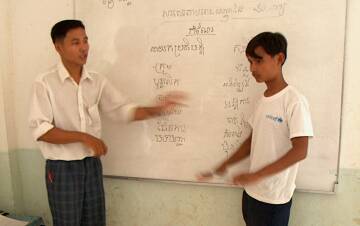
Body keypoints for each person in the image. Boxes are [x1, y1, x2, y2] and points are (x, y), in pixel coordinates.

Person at [28, 19, 186, 226]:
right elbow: (41, 130)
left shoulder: (96, 81)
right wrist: (84, 137)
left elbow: (122, 110)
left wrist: (157, 110)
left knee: (95, 221)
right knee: (67, 222)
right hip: (62, 169)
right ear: (58, 47)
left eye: (85, 40)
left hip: (92, 165)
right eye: (75, 42)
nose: (84, 48)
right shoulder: (45, 82)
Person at [198, 32, 313, 226]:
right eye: (250, 62)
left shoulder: (294, 101)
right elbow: (252, 141)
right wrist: (225, 165)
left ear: (279, 58)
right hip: (251, 194)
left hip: (274, 200)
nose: (252, 68)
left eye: (258, 61)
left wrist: (257, 175)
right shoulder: (262, 100)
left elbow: (300, 151)